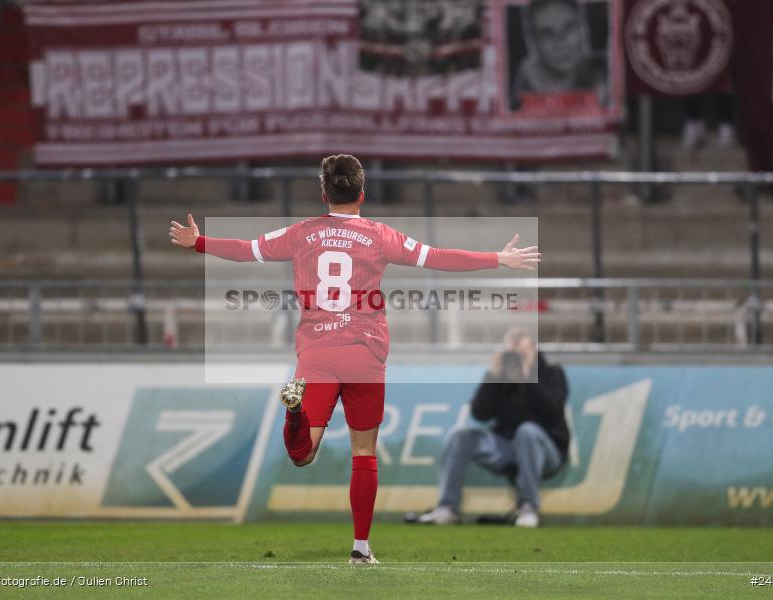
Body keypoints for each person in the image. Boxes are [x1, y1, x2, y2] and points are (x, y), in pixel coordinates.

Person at [169, 155, 541, 564]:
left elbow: (247, 250)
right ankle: (361, 549)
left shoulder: (302, 233)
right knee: (363, 453)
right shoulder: (380, 235)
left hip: (317, 353)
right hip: (365, 352)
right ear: (362, 194)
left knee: (302, 454)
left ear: (324, 193)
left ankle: (293, 413)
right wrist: (498, 258)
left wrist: (199, 242)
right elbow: (438, 257)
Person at [417, 329, 569, 527]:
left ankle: (528, 507)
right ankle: (446, 508)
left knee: (527, 431)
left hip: (546, 450)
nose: (515, 358)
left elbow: (552, 411)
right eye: (511, 354)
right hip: (506, 446)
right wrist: (493, 376)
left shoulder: (552, 373)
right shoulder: (499, 378)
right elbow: (480, 414)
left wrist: (529, 377)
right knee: (459, 435)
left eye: (520, 353)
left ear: (533, 349)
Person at [511, 0, 607, 110]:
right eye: (547, 33)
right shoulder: (525, 82)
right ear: (533, 42)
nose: (560, 42)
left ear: (583, 30)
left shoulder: (608, 71)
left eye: (568, 28)